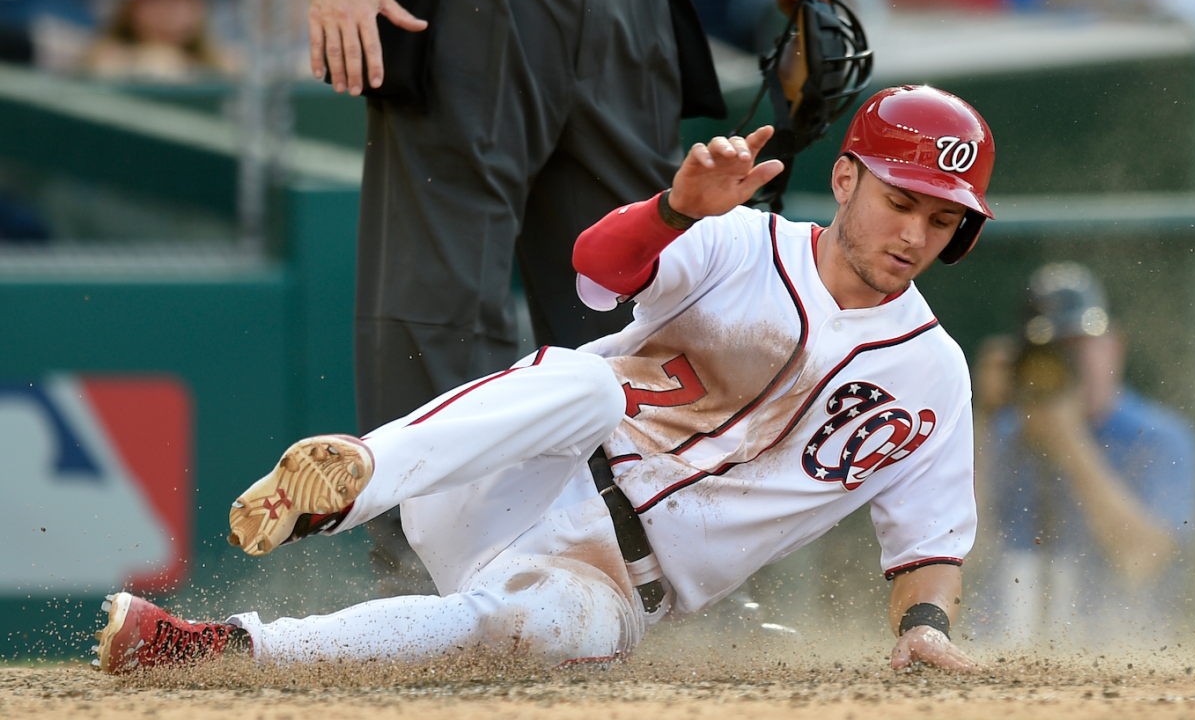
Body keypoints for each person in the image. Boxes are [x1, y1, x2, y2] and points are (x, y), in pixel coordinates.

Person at [93, 85, 993, 674]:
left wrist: (927, 630)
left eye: (943, 218)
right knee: (591, 383)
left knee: (520, 633)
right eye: (900, 200)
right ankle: (353, 474)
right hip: (504, 480)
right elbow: (594, 271)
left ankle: (212, 650)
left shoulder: (935, 376)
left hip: (611, 581)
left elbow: (928, 545)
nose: (915, 232)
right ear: (845, 179)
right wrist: (677, 209)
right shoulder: (740, 238)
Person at [306, 0, 726, 595]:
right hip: (483, 13)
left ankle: (634, 581)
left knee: (637, 305)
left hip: (624, 14)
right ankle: (441, 592)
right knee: (446, 308)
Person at [971, 262, 1195, 647]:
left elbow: (1143, 560)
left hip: (1119, 662)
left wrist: (1069, 441)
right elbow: (958, 556)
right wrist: (984, 419)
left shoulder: (1158, 438)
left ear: (1115, 344)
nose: (1072, 362)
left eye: (1082, 343)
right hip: (997, 660)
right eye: (1056, 349)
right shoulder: (1005, 432)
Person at [84, 0, 235, 82]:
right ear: (128, 9)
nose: (169, 15)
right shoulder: (101, 62)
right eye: (155, 1)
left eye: (179, 1)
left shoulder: (226, 67)